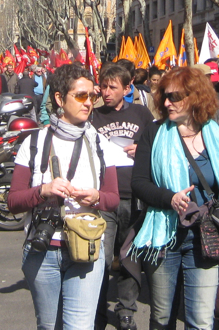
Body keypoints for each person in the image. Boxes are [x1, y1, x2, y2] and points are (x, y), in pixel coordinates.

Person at [129, 66, 219, 330]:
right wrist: (169, 199)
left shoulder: (217, 135)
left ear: (194, 97)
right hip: (164, 237)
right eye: (165, 96)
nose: (167, 102)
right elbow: (139, 184)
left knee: (202, 320)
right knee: (161, 317)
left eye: (175, 96)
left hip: (205, 236)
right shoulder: (154, 133)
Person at [7, 64, 120, 330]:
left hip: (87, 249)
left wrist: (95, 197)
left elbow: (113, 198)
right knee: (49, 326)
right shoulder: (33, 143)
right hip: (42, 250)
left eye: (92, 96)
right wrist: (42, 191)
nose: (89, 103)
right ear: (59, 98)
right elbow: (13, 201)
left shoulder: (100, 143)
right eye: (81, 96)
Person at [90, 63, 153, 330]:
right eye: (103, 86)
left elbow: (157, 147)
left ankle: (126, 309)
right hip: (104, 199)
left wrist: (141, 148)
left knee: (129, 258)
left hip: (134, 197)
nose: (106, 92)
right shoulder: (92, 116)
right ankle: (97, 311)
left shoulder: (142, 114)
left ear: (128, 88)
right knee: (101, 260)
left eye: (112, 87)